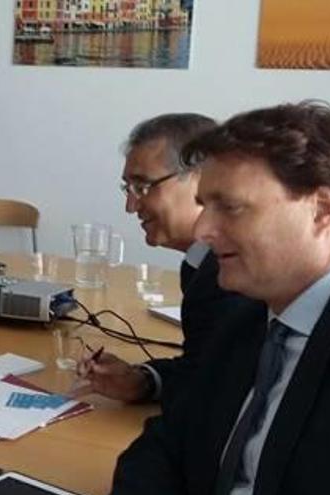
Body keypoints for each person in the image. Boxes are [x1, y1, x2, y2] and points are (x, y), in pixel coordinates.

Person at [112, 101, 330, 494]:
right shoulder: (246, 319)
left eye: (229, 208)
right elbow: (162, 450)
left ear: (321, 209)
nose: (204, 230)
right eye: (204, 206)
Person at [77, 113, 252, 408]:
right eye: (128, 189)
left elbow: (217, 394)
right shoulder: (198, 263)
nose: (130, 206)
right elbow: (204, 369)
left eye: (143, 186)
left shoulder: (237, 276)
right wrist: (143, 380)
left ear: (202, 180)